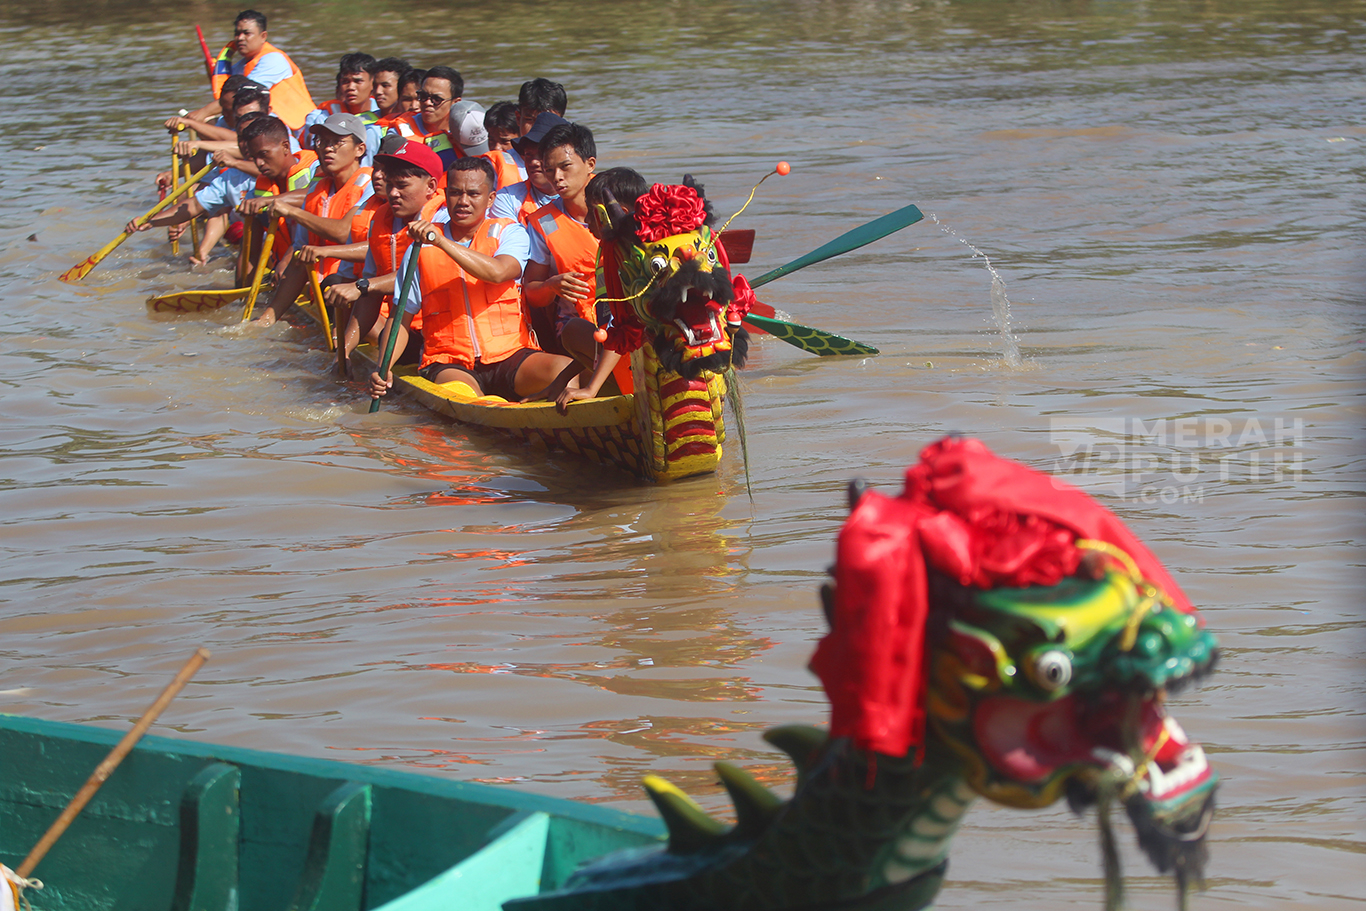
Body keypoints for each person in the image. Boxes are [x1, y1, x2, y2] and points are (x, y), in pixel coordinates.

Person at [369, 156, 579, 404]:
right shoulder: (420, 247)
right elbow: (400, 316)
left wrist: (441, 241)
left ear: (490, 198)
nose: (464, 201)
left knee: (564, 371)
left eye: (473, 194)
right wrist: (384, 367)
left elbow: (500, 271)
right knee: (468, 397)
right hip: (449, 361)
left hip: (509, 354)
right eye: (456, 193)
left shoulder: (508, 232)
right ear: (446, 196)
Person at [329, 139, 446, 378]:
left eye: (402, 185)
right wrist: (345, 352)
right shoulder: (380, 219)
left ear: (431, 186)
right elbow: (369, 294)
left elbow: (414, 276)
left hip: (441, 334)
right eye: (390, 184)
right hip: (400, 329)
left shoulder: (444, 220)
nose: (392, 193)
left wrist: (361, 286)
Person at [251, 113, 373, 327]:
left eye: (337, 142)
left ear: (359, 150)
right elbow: (299, 259)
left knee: (334, 284)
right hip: (321, 293)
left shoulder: (370, 185)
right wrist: (268, 318)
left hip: (359, 293)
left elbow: (343, 232)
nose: (328, 148)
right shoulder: (317, 190)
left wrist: (292, 212)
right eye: (323, 142)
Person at [124, 112, 269, 265]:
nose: (245, 144)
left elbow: (269, 171)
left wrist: (234, 162)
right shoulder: (230, 177)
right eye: (240, 138)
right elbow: (195, 204)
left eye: (251, 137)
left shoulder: (287, 163)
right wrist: (151, 222)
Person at [522, 122, 600, 366]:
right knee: (575, 331)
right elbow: (532, 291)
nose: (556, 178)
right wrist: (551, 286)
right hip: (578, 327)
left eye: (565, 167)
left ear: (590, 164)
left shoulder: (623, 198)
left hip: (631, 316)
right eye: (549, 170)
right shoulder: (542, 223)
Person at [189, 10, 314, 131]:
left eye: (246, 33)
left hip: (302, 129)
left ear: (263, 36)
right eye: (237, 33)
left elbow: (244, 94)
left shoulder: (274, 59)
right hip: (267, 126)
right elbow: (227, 98)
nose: (240, 38)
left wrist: (202, 113)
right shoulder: (238, 68)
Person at [236, 115, 320, 266]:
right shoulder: (256, 194)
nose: (259, 164)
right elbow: (249, 255)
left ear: (286, 146)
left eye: (263, 154)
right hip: (281, 268)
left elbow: (315, 195)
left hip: (315, 266)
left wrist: (269, 201)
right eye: (254, 158)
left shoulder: (316, 169)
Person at [304, 53, 382, 166]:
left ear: (372, 83)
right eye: (346, 82)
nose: (351, 87)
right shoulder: (325, 117)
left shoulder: (382, 112)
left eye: (358, 81)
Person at [490, 111, 564, 225]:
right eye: (528, 154)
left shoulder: (591, 193)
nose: (533, 162)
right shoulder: (507, 198)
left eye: (541, 154)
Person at [391, 66, 463, 165]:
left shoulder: (465, 134)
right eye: (423, 96)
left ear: (455, 102)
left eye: (436, 99)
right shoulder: (398, 132)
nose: (427, 103)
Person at [481, 101, 525, 189]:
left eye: (505, 142)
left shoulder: (537, 167)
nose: (497, 148)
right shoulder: (484, 167)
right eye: (491, 140)